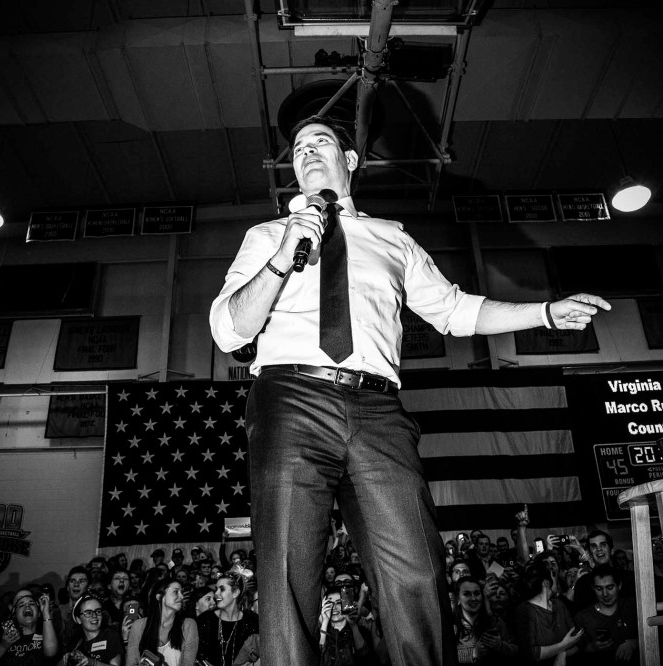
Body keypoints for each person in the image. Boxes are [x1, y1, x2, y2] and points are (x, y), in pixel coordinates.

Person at [209, 113, 611, 666]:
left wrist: (541, 311)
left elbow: (454, 311)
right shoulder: (266, 237)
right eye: (298, 148)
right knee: (289, 574)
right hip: (291, 398)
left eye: (320, 142)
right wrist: (283, 256)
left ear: (348, 162)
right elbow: (230, 329)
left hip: (377, 407)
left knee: (416, 568)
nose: (306, 152)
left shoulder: (391, 237)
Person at [513, 561, 583, 664]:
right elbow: (531, 654)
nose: (556, 579)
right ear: (546, 583)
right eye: (553, 575)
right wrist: (563, 645)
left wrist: (563, 654)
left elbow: (577, 640)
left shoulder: (558, 605)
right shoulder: (525, 610)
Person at [124, 578, 197, 666]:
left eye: (181, 593)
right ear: (159, 597)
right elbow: (131, 662)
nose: (181, 596)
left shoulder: (188, 625)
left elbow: (188, 663)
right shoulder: (139, 625)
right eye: (176, 592)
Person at [0, 588, 58, 666]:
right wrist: (3, 646)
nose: (27, 605)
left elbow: (51, 652)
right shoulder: (1, 634)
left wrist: (46, 613)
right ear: (13, 611)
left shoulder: (48, 634)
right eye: (21, 603)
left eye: (31, 603)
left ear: (39, 612)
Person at [573, 566, 637, 664]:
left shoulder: (633, 607)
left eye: (610, 587)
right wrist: (591, 648)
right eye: (599, 589)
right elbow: (576, 652)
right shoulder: (583, 617)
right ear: (593, 588)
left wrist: (633, 643)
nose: (605, 594)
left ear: (619, 585)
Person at [196, 573, 260, 666]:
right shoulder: (205, 619)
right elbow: (198, 657)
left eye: (222, 589)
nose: (216, 594)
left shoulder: (252, 621)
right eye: (216, 589)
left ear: (235, 593)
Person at [452, 577, 516, 664]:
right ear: (458, 599)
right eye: (467, 594)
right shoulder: (451, 626)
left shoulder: (494, 621)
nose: (473, 598)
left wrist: (501, 646)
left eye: (477, 593)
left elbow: (517, 651)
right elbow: (442, 656)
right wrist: (474, 654)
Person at [59, 594, 123, 666]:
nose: (94, 615)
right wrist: (65, 660)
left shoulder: (110, 635)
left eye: (98, 611)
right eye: (88, 613)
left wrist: (92, 663)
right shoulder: (76, 644)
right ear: (78, 619)